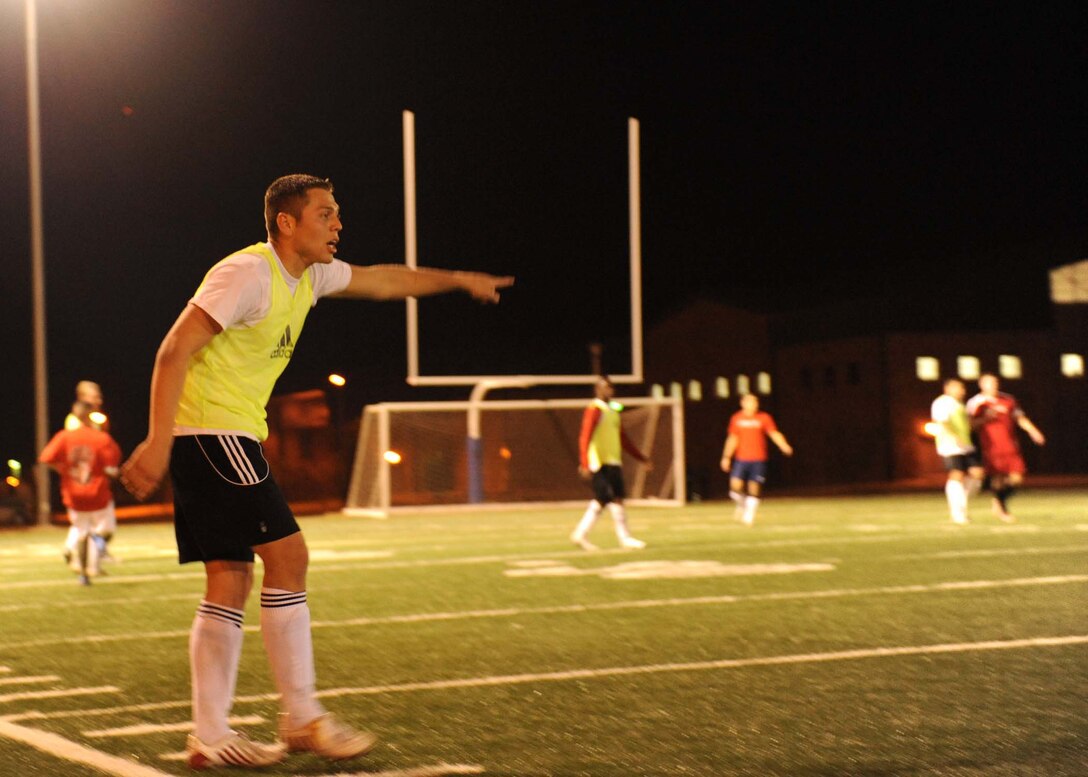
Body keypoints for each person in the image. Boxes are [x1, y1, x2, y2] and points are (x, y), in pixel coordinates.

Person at [120, 174, 514, 769]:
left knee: (229, 578)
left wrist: (456, 280)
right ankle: (300, 717)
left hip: (219, 435)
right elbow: (175, 348)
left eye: (337, 214)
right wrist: (155, 439)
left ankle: (210, 734)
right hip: (212, 432)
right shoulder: (248, 273)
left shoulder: (310, 275)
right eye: (325, 215)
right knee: (289, 558)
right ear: (287, 222)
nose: (338, 225)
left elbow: (385, 281)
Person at [39, 401, 122, 585]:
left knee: (81, 530)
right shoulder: (101, 438)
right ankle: (95, 555)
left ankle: (83, 572)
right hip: (97, 493)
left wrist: (63, 469)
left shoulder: (64, 436)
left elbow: (46, 458)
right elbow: (110, 466)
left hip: (73, 492)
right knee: (105, 530)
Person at [570, 375, 651, 551]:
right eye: (606, 387)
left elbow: (623, 439)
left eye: (611, 387)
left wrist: (641, 458)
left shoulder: (613, 410)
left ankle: (585, 534)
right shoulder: (594, 409)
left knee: (612, 498)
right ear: (598, 389)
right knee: (608, 497)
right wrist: (584, 462)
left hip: (613, 461)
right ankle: (617, 537)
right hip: (599, 462)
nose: (610, 390)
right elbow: (585, 437)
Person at [966, 373, 1045, 522]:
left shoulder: (1008, 399)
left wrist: (1033, 431)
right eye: (989, 383)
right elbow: (970, 425)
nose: (994, 385)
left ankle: (998, 501)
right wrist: (985, 418)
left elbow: (1019, 418)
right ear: (982, 385)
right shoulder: (976, 402)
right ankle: (1002, 509)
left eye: (995, 382)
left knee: (1017, 478)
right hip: (991, 447)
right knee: (998, 480)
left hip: (1010, 445)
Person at [63, 380, 117, 563]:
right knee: (96, 522)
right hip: (84, 480)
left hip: (94, 478)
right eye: (94, 396)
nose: (99, 400)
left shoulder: (97, 418)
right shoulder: (74, 422)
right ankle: (86, 552)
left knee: (86, 523)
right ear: (82, 398)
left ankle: (81, 551)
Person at [719, 393, 793, 526]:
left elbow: (773, 433)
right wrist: (726, 457)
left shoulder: (764, 418)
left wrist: (783, 445)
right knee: (735, 487)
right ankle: (742, 504)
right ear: (743, 403)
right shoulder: (737, 419)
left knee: (754, 487)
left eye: (755, 402)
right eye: (750, 402)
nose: (753, 405)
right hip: (741, 458)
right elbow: (732, 438)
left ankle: (749, 515)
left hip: (759, 458)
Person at [930, 378, 985, 524]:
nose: (962, 391)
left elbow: (968, 425)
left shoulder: (960, 404)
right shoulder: (942, 402)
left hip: (966, 444)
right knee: (957, 474)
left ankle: (960, 506)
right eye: (958, 388)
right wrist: (954, 437)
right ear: (947, 388)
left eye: (962, 388)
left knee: (977, 474)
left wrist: (984, 420)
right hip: (950, 444)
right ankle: (957, 513)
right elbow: (942, 422)